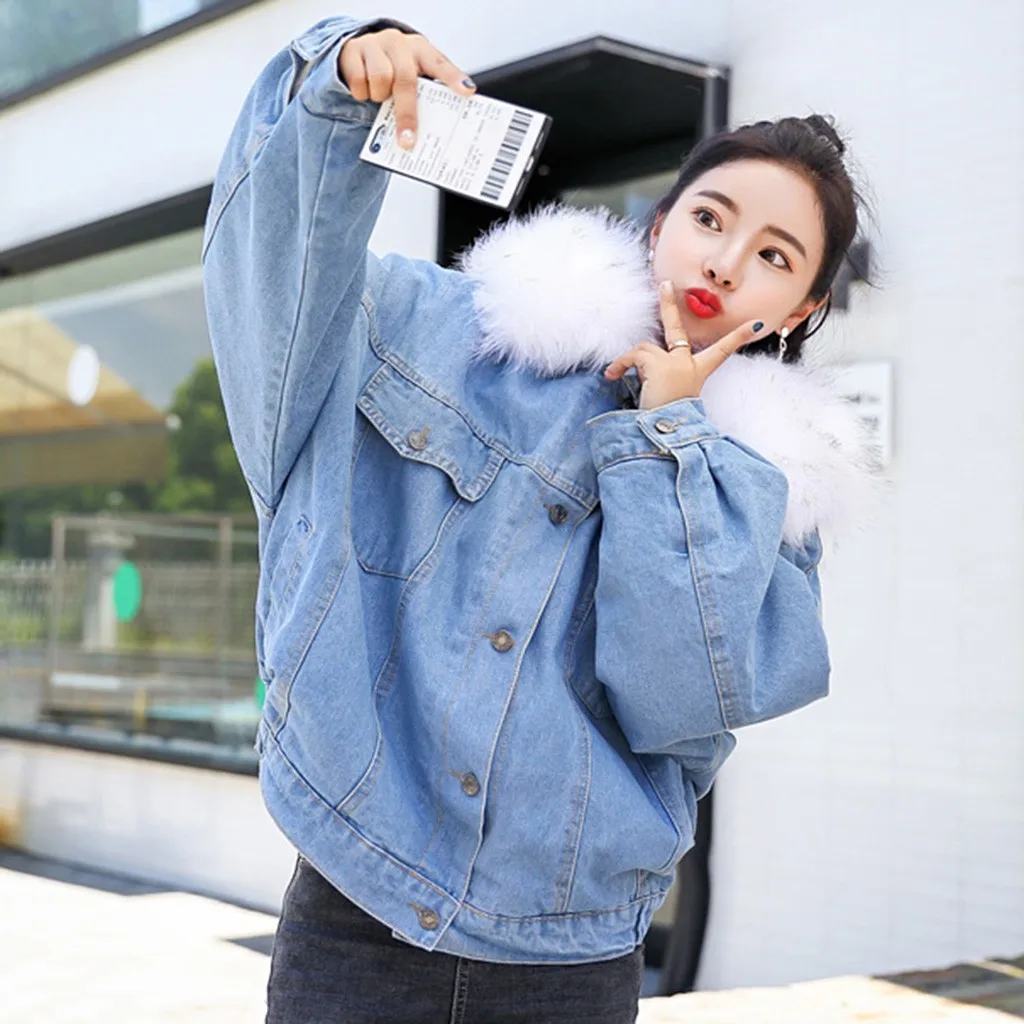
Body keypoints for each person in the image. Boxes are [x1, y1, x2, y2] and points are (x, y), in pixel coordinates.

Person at [203, 15, 875, 1024]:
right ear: (660, 222)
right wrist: (333, 87)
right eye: (710, 218)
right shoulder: (453, 331)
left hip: (573, 955)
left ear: (800, 311)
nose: (726, 261)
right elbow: (272, 298)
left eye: (774, 255)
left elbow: (671, 696)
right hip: (356, 902)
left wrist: (667, 438)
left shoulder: (770, 503)